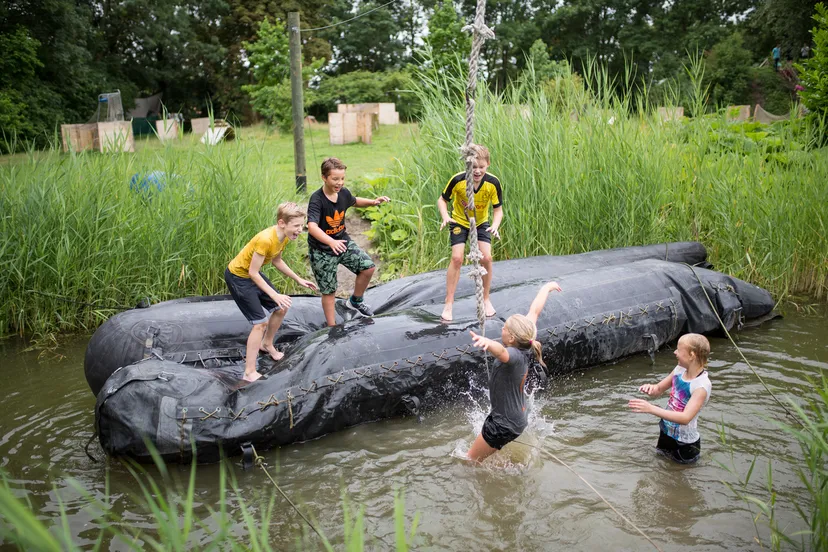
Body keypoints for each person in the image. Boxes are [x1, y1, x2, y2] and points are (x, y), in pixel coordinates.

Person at [466, 281, 563, 463]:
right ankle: (505, 466)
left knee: (468, 461)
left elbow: (501, 352)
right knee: (483, 456)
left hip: (504, 425)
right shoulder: (527, 341)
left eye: (504, 328)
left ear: (511, 337)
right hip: (516, 418)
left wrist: (487, 342)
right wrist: (546, 288)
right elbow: (534, 311)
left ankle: (504, 480)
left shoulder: (514, 355)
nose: (501, 328)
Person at [225, 202, 318, 382]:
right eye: (296, 225)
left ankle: (266, 344)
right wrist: (275, 294)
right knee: (260, 323)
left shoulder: (283, 237)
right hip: (238, 277)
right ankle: (249, 372)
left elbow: (277, 261)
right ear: (282, 223)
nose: (300, 230)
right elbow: (252, 273)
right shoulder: (266, 239)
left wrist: (298, 279)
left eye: (302, 225)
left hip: (252, 275)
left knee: (280, 308)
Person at [307, 157, 390, 327]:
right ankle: (332, 327)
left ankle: (355, 301)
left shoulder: (343, 192)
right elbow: (312, 227)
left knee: (368, 267)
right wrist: (330, 242)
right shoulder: (317, 199)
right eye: (335, 179)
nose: (340, 183)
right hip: (322, 250)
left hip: (342, 242)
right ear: (324, 177)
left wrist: (373, 202)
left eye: (342, 178)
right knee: (329, 290)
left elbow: (354, 201)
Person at [438, 144, 503, 322]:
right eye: (473, 167)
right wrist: (445, 216)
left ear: (488, 164)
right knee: (457, 258)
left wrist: (496, 225)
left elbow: (498, 210)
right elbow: (442, 200)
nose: (477, 171)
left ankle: (486, 298)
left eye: (481, 167)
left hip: (481, 223)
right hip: (459, 221)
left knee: (486, 258)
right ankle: (449, 303)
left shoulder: (492, 183)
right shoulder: (458, 180)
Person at [628, 333, 712, 464]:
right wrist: (650, 388)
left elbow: (685, 418)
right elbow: (659, 389)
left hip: (684, 443)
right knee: (662, 471)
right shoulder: (679, 370)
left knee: (679, 477)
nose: (675, 352)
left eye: (679, 350)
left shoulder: (701, 386)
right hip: (666, 432)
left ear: (692, 355)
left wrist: (651, 408)